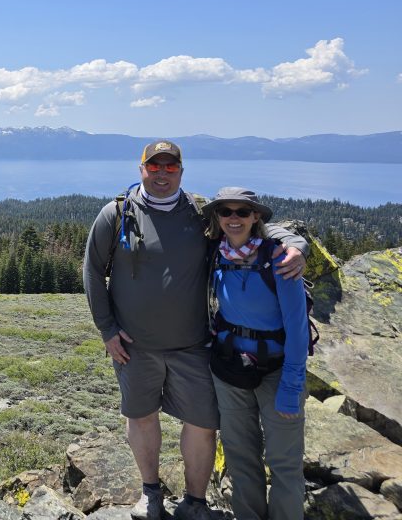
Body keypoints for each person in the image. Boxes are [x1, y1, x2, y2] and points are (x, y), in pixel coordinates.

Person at [83, 141, 308, 520]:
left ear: (181, 172)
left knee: (203, 424)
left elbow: (251, 232)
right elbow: (91, 271)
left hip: (194, 345)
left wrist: (296, 244)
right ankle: (150, 493)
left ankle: (195, 501)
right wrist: (107, 329)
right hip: (134, 345)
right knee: (141, 417)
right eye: (154, 167)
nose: (162, 174)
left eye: (171, 168)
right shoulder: (116, 214)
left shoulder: (197, 213)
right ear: (141, 170)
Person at [203, 187, 308, 520]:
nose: (234, 219)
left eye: (242, 212)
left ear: (256, 217)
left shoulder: (278, 258)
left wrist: (292, 386)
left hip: (278, 372)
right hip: (230, 368)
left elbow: (297, 328)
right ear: (217, 218)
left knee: (284, 462)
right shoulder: (213, 254)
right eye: (226, 212)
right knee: (240, 458)